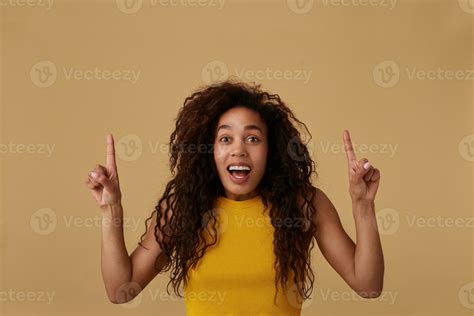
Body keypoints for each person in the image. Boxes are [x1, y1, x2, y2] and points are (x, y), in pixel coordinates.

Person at [85, 79, 384, 315]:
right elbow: (120, 290)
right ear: (209, 150)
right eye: (225, 138)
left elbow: (368, 285)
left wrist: (363, 205)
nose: (239, 150)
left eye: (253, 138)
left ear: (271, 150)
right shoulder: (184, 208)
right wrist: (111, 209)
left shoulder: (303, 204)